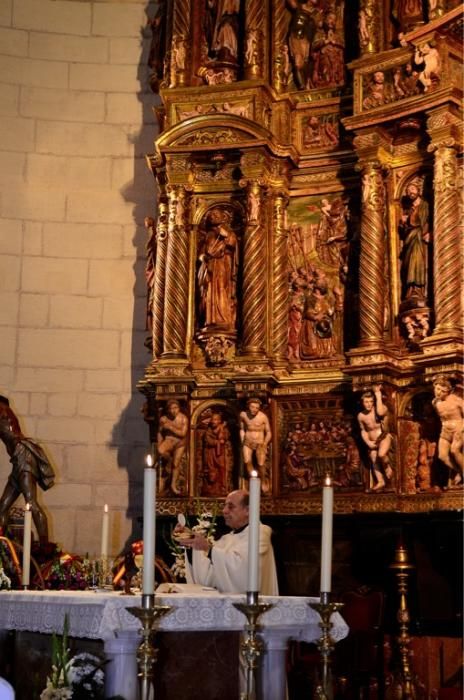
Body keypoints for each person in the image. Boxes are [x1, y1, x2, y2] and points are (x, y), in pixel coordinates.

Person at [176, 489, 279, 595]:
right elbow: (207, 578)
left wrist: (208, 548)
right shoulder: (226, 539)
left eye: (231, 506)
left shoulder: (260, 533)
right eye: (224, 506)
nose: (224, 511)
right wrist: (191, 541)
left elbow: (243, 572)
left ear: (248, 510)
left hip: (254, 607)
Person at [0, 396, 55, 543]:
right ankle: (5, 548)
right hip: (18, 461)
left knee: (31, 503)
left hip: (23, 456)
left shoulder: (2, 409)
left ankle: (45, 548)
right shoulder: (5, 409)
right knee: (2, 508)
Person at [197, 207, 238, 331]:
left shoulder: (228, 232)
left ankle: (223, 318)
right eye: (211, 216)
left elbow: (233, 244)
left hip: (223, 264)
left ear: (223, 217)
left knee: (222, 289)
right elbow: (201, 252)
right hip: (209, 266)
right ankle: (210, 319)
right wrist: (202, 257)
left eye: (216, 215)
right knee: (209, 291)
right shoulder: (209, 235)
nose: (213, 217)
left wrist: (226, 236)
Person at [398, 179, 431, 303]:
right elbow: (405, 230)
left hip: (420, 238)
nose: (409, 192)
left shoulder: (425, 205)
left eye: (412, 189)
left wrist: (430, 232)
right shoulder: (409, 210)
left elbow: (431, 220)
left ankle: (418, 289)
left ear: (419, 190)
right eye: (407, 191)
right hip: (410, 239)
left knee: (417, 262)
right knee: (408, 263)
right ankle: (410, 290)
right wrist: (403, 223)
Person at [357, 385, 393, 491]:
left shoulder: (380, 409)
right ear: (362, 403)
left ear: (374, 402)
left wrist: (377, 394)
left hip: (383, 437)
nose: (368, 404)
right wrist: (368, 442)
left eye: (370, 402)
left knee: (381, 454)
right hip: (372, 441)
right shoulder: (361, 416)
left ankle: (387, 467)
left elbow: (381, 413)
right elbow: (363, 430)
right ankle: (380, 481)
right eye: (366, 402)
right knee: (373, 458)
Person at [432, 376, 463, 487]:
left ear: (448, 391)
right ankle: (460, 471)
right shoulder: (435, 402)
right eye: (437, 389)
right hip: (445, 430)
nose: (438, 392)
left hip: (459, 429)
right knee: (442, 456)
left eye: (442, 390)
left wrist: (461, 429)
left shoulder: (457, 400)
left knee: (455, 451)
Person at [239, 399, 272, 493]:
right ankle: (254, 480)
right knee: (247, 461)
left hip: (259, 443)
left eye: (257, 408)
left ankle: (262, 480)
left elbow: (269, 432)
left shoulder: (263, 417)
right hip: (248, 442)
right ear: (248, 406)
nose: (254, 409)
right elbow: (242, 429)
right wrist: (242, 439)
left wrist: (265, 443)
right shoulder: (243, 415)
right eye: (252, 407)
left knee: (261, 464)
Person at [157, 400, 188, 495]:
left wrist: (170, 427)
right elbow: (159, 432)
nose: (173, 410)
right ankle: (169, 459)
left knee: (176, 464)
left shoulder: (183, 418)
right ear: (168, 410)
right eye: (171, 408)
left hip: (180, 442)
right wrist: (159, 443)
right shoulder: (164, 418)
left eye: (176, 408)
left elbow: (183, 433)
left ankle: (173, 485)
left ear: (179, 408)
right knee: (160, 451)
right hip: (169, 440)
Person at [200, 411, 233, 497]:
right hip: (211, 452)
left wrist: (221, 429)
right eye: (212, 419)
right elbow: (208, 440)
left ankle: (223, 487)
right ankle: (210, 487)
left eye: (215, 419)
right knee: (211, 468)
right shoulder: (208, 431)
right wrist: (217, 442)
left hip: (221, 453)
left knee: (222, 467)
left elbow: (225, 437)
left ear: (219, 421)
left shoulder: (224, 429)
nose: (213, 421)